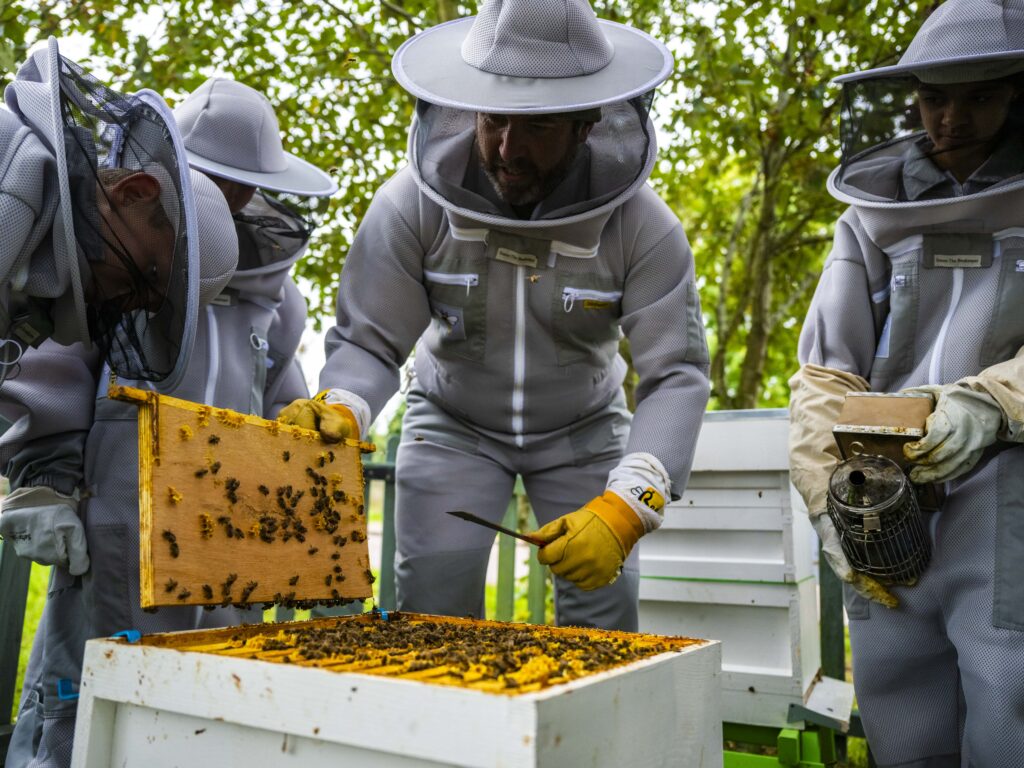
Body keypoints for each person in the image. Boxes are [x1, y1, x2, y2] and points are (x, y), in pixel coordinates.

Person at [279, 0, 710, 631]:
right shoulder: (410, 207)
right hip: (451, 424)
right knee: (433, 604)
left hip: (584, 432)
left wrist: (630, 503)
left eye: (536, 128)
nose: (508, 149)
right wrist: (344, 402)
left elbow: (675, 373)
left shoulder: (644, 226)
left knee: (606, 616)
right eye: (494, 121)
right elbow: (371, 343)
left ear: (587, 123)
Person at [0, 78, 336, 768]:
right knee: (83, 692)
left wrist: (305, 507)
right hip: (115, 518)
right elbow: (56, 360)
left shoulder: (278, 302)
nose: (229, 199)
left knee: (209, 707)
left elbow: (282, 408)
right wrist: (47, 477)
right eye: (214, 180)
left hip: (229, 542)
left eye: (243, 186)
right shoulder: (108, 259)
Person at [789, 0, 1024, 764]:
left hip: (1008, 500)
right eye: (934, 96)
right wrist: (830, 495)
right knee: (900, 712)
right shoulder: (868, 214)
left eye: (981, 95)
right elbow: (827, 368)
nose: (950, 119)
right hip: (882, 497)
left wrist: (990, 404)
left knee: (1007, 703)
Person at [0, 37, 233, 389]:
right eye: (152, 272)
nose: (129, 302)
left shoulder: (31, 266)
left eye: (151, 302)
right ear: (134, 194)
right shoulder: (9, 172)